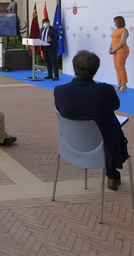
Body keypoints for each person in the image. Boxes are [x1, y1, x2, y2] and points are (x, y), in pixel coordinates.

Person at [54, 50, 129, 191]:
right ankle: (112, 175)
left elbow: (61, 110)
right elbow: (115, 105)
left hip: (71, 146)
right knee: (110, 125)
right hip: (103, 147)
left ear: (74, 67)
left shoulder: (60, 91)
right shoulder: (105, 91)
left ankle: (112, 174)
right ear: (95, 70)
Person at [109, 16, 130, 92]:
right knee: (117, 67)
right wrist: (110, 48)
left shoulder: (124, 30)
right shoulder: (115, 30)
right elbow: (113, 40)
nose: (114, 23)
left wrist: (114, 49)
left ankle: (124, 84)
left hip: (122, 51)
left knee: (121, 67)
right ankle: (119, 83)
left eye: (115, 21)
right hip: (115, 51)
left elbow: (122, 42)